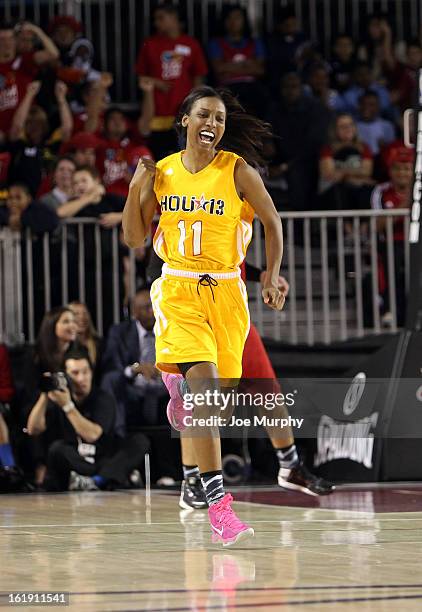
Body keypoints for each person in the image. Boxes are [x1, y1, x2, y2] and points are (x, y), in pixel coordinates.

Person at [123, 85, 286, 546]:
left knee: (218, 405)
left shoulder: (237, 171)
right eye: (204, 116)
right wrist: (136, 189)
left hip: (229, 293)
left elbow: (272, 222)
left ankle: (178, 388)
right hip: (178, 288)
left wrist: (272, 275)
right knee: (207, 399)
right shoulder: (163, 173)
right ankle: (219, 507)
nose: (212, 124)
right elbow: (135, 238)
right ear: (184, 121)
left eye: (218, 118)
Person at [27, 350, 150, 491]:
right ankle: (115, 477)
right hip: (74, 459)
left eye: (85, 372)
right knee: (57, 449)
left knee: (139, 441)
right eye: (75, 373)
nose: (81, 378)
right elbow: (33, 429)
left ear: (92, 373)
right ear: (66, 376)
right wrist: (45, 393)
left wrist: (68, 407)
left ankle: (96, 480)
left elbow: (93, 435)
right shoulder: (58, 397)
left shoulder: (103, 398)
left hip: (101, 458)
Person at [135, 2, 208, 159]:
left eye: (161, 18)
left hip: (183, 114)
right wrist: (157, 83)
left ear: (174, 18)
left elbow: (198, 79)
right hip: (157, 115)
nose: (156, 23)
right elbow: (141, 77)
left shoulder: (191, 44)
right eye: (155, 19)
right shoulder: (150, 44)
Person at [101, 289, 168, 437]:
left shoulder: (171, 330)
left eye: (156, 306)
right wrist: (136, 369)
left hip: (167, 389)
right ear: (134, 313)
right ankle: (117, 439)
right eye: (147, 307)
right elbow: (113, 367)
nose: (153, 311)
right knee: (110, 379)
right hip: (134, 391)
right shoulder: (119, 332)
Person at [207, 5, 269, 118]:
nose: (233, 22)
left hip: (252, 87)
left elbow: (260, 70)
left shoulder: (255, 43)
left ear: (244, 20)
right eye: (229, 18)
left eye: (237, 18)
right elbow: (219, 69)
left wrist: (229, 66)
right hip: (227, 87)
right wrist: (246, 64)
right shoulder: (215, 43)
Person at [319, 113, 374, 210]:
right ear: (335, 130)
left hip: (356, 187)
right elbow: (329, 174)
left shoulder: (364, 148)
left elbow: (366, 172)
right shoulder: (328, 149)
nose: (348, 128)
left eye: (350, 125)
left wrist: (343, 174)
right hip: (332, 191)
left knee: (367, 190)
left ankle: (364, 224)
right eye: (342, 126)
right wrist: (351, 176)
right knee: (341, 190)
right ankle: (346, 225)